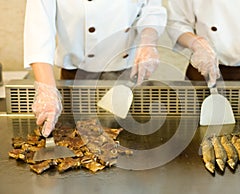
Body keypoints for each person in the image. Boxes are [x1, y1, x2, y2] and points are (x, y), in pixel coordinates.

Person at [24, 0, 167, 137]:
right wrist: (46, 89)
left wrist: (148, 41)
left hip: (127, 74)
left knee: (129, 137)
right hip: (75, 77)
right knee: (71, 134)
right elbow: (39, 29)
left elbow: (151, 9)